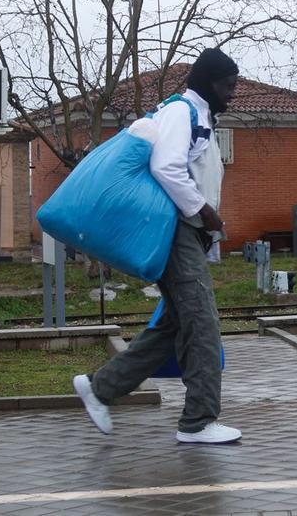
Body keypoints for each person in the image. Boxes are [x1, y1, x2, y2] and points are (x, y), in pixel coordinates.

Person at [73, 48, 241, 444]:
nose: (233, 93)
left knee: (174, 326)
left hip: (187, 233)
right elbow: (166, 167)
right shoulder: (183, 112)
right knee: (202, 323)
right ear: (209, 82)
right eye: (228, 85)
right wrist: (204, 212)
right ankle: (198, 422)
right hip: (178, 232)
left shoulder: (197, 115)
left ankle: (100, 387)